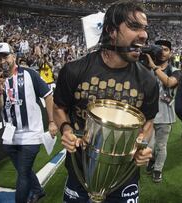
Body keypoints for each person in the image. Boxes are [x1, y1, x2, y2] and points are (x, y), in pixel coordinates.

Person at [53, 2, 159, 202]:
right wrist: (66, 130)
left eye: (144, 28)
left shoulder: (148, 80)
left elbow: (148, 122)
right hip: (80, 174)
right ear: (111, 30)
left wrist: (141, 144)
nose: (144, 35)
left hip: (124, 178)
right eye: (135, 27)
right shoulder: (74, 70)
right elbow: (59, 108)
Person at [0, 42, 58, 203]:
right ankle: (38, 190)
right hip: (9, 135)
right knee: (25, 170)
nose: (2, 61)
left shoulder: (29, 73)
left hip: (31, 134)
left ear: (13, 56)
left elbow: (48, 96)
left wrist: (51, 121)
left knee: (22, 174)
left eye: (5, 56)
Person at [146, 39, 178, 183]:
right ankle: (152, 160)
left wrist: (153, 66)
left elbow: (169, 82)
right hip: (148, 115)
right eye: (159, 49)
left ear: (170, 52)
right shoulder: (146, 67)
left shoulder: (175, 70)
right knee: (149, 145)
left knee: (161, 146)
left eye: (165, 49)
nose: (162, 52)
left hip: (165, 115)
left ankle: (158, 169)